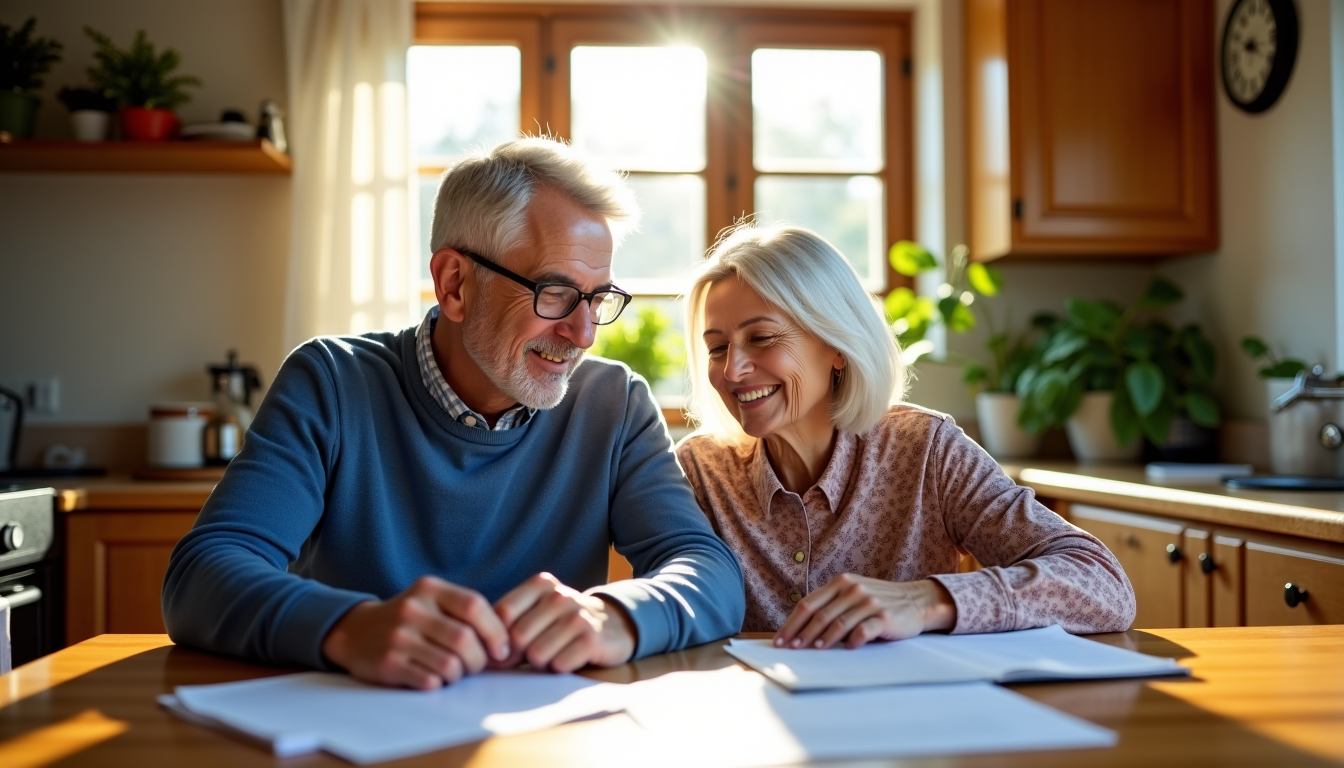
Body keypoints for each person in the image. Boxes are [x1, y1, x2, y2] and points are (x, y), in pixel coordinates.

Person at [163, 137, 744, 689]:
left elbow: (707, 570)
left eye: (598, 299)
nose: (583, 332)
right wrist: (348, 627)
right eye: (555, 293)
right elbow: (202, 575)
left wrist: (617, 616)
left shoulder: (614, 405)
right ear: (455, 283)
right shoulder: (333, 383)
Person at [674, 224, 1135, 650]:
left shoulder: (926, 451)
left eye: (762, 337)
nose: (732, 369)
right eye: (717, 348)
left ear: (837, 345)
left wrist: (925, 600)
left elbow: (1103, 584)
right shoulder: (698, 472)